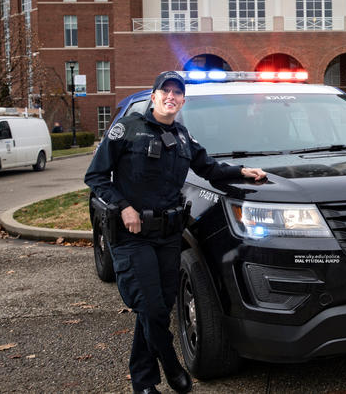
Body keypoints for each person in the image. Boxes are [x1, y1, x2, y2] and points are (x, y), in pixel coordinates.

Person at [85, 71, 266, 394]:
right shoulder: (127, 130)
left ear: (182, 101)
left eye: (177, 93)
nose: (171, 96)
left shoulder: (183, 137)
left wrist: (241, 172)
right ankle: (170, 365)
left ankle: (142, 383)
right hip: (132, 235)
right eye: (164, 91)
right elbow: (96, 177)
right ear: (154, 96)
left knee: (157, 308)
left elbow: (209, 169)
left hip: (168, 237)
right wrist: (123, 207)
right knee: (151, 307)